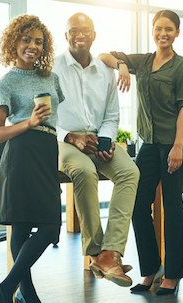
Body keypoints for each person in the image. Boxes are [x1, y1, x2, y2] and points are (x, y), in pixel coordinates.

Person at [98, 9, 183, 295]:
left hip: (175, 142)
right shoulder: (144, 61)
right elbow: (104, 55)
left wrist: (177, 146)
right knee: (138, 203)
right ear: (152, 31)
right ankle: (150, 269)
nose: (162, 34)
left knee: (172, 204)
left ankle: (173, 274)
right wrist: (123, 66)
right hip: (149, 143)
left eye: (168, 29)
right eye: (158, 29)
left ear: (177, 33)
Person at [52, 13, 140, 287]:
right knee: (83, 171)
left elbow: (112, 114)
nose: (80, 35)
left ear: (94, 35)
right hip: (63, 139)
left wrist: (105, 139)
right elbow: (46, 117)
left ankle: (110, 252)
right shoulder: (52, 69)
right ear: (66, 36)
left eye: (86, 30)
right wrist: (71, 137)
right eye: (74, 31)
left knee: (129, 172)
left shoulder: (105, 70)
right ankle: (95, 252)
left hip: (96, 138)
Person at [0, 15, 64, 303]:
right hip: (20, 153)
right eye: (26, 39)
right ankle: (25, 295)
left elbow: (57, 118)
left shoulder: (51, 78)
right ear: (14, 42)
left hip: (46, 151)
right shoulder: (5, 83)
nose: (32, 46)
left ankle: (7, 289)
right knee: (22, 226)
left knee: (49, 226)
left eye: (38, 42)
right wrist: (29, 122)